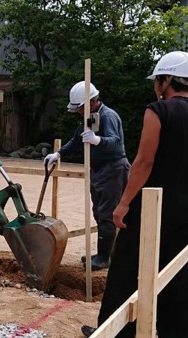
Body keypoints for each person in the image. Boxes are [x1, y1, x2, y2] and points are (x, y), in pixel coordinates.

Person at [80, 51, 188, 338]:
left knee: (127, 270)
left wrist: (124, 202)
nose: (155, 86)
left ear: (165, 80)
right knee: (179, 276)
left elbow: (143, 162)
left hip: (149, 207)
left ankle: (118, 335)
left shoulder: (158, 111)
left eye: (157, 80)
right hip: (185, 211)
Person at [44, 81, 130, 269]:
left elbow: (116, 143)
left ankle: (104, 258)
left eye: (81, 108)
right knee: (99, 212)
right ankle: (105, 253)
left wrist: (98, 140)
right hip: (98, 170)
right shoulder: (89, 118)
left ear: (92, 101)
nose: (79, 112)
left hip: (113, 169)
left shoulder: (108, 116)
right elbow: (76, 141)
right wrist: (59, 154)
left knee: (108, 214)